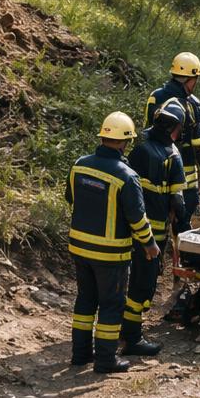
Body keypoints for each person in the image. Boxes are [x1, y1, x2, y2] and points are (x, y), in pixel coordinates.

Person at [66, 112, 158, 373]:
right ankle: (106, 360)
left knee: (85, 300)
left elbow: (71, 198)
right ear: (125, 142)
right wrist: (149, 244)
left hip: (79, 248)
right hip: (110, 254)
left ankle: (81, 354)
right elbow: (137, 218)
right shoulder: (126, 176)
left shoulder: (79, 165)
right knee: (111, 305)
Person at [122, 98, 188, 357]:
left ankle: (122, 328)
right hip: (154, 235)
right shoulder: (173, 155)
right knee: (144, 285)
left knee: (129, 279)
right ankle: (133, 336)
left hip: (128, 232)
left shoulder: (139, 150)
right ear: (176, 128)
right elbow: (178, 202)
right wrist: (184, 227)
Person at [144, 52, 200, 206]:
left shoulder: (155, 96)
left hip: (156, 172)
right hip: (185, 178)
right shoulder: (193, 103)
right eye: (196, 79)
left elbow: (147, 129)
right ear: (189, 79)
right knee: (183, 220)